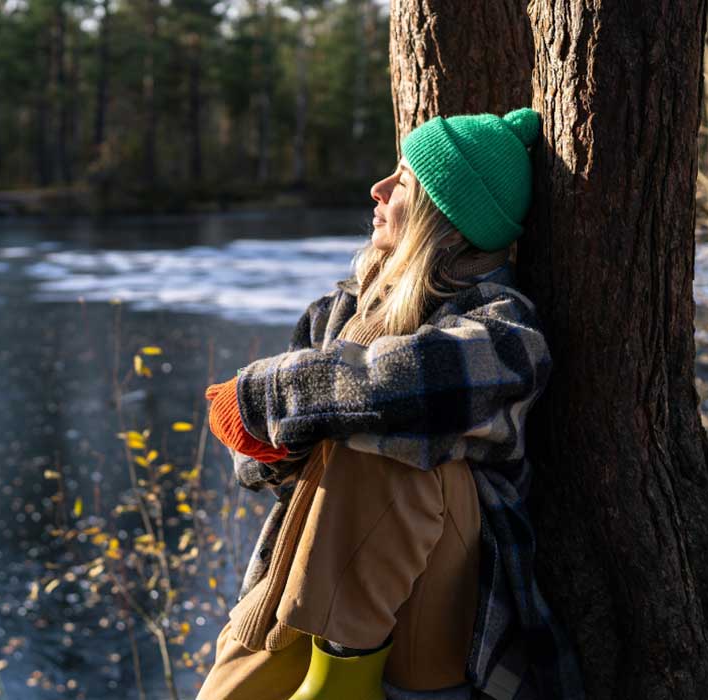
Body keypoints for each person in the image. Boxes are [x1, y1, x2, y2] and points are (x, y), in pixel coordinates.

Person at [198, 107, 586, 700]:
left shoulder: (503, 323)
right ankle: (318, 669)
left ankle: (338, 685)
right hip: (309, 580)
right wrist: (273, 438)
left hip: (443, 612)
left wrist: (271, 394)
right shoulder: (336, 315)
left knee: (391, 434)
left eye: (402, 179)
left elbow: (412, 382)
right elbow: (264, 472)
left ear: (444, 215)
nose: (377, 190)